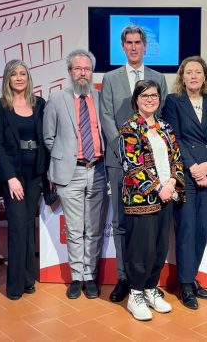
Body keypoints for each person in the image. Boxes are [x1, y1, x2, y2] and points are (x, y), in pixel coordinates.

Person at [100, 25, 168, 302]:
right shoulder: (111, 78)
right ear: (122, 46)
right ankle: (123, 278)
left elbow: (160, 117)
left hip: (152, 166)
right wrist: (126, 152)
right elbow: (106, 116)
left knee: (149, 223)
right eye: (128, 42)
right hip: (118, 161)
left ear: (145, 45)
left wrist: (144, 156)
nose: (133, 47)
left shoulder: (157, 78)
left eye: (138, 42)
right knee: (120, 221)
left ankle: (147, 281)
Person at [43, 49, 108, 300]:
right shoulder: (56, 99)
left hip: (98, 170)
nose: (83, 73)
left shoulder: (102, 98)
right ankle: (76, 277)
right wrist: (66, 158)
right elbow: (49, 137)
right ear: (70, 72)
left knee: (93, 228)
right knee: (74, 229)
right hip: (71, 172)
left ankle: (90, 276)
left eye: (87, 69)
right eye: (77, 69)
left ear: (92, 72)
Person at [118, 80, 184, 321]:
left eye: (154, 95)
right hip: (141, 199)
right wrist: (158, 187)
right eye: (145, 95)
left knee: (159, 248)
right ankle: (135, 294)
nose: (150, 99)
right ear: (136, 99)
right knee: (140, 249)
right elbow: (132, 166)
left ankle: (149, 289)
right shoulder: (130, 128)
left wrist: (172, 183)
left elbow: (177, 158)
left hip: (167, 195)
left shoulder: (165, 127)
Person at [161, 56, 207, 310]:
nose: (194, 76)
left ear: (205, 76)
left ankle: (191, 277)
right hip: (186, 173)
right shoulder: (173, 102)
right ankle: (185, 285)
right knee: (185, 228)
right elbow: (172, 137)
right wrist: (193, 166)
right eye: (189, 72)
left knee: (200, 230)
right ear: (182, 77)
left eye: (198, 72)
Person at [0, 59, 48, 300]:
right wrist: (10, 178)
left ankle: (27, 278)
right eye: (14, 74)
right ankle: (14, 286)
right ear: (7, 79)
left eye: (23, 73)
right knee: (16, 225)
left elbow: (48, 138)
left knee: (27, 226)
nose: (19, 78)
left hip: (35, 172)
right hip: (13, 174)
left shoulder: (40, 104)